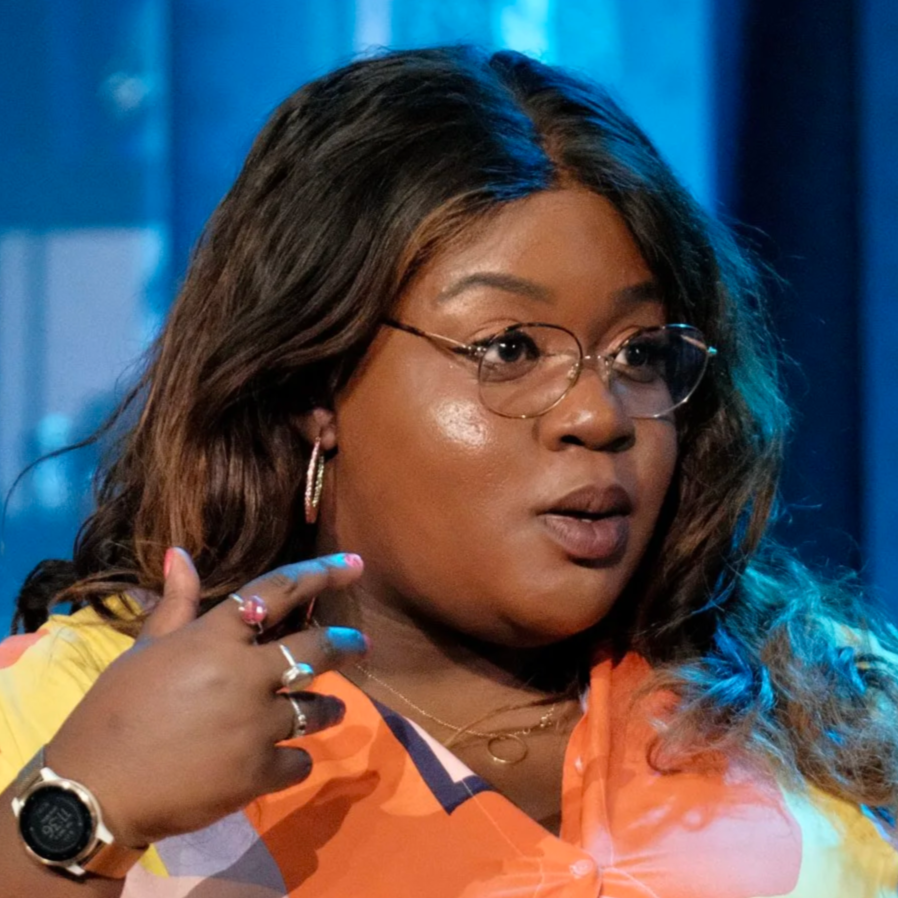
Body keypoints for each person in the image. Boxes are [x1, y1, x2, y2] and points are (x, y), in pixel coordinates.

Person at [1, 45, 896, 897]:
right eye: (509, 348)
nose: (599, 414)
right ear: (316, 381)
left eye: (639, 353)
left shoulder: (838, 718)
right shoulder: (71, 710)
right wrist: (80, 814)